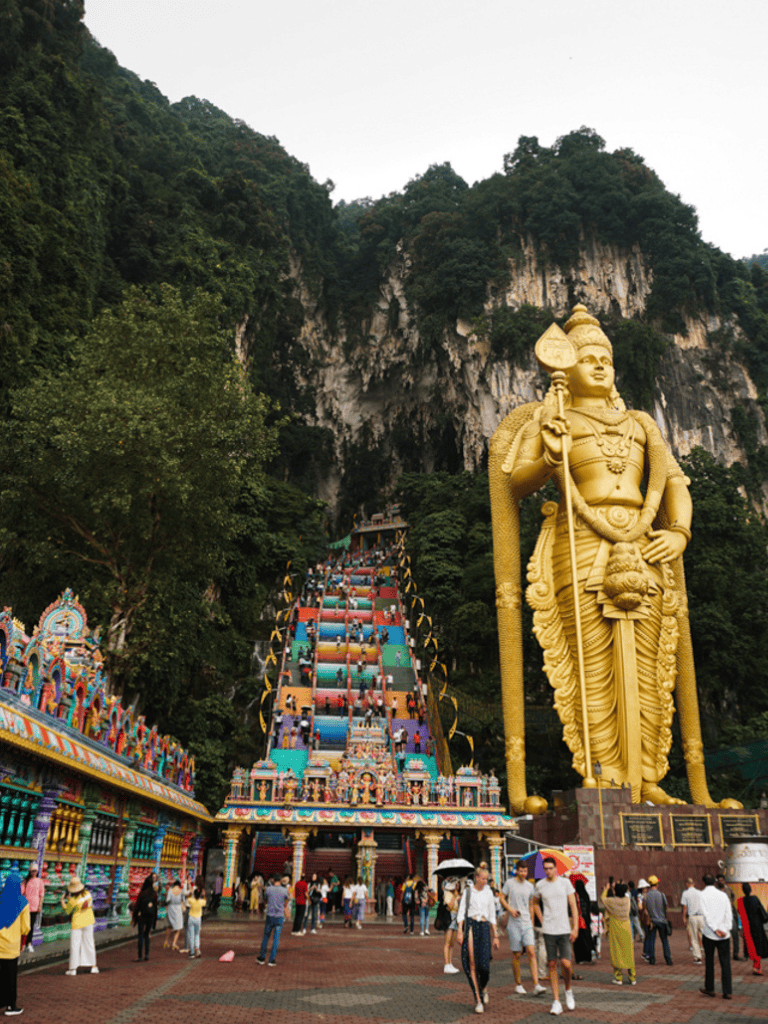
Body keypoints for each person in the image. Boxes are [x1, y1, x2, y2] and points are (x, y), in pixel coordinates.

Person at [494, 303, 730, 811]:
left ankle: (647, 780)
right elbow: (513, 482)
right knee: (591, 663)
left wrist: (681, 533)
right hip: (579, 542)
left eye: (607, 358)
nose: (601, 366)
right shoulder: (552, 416)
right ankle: (602, 775)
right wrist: (548, 458)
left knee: (649, 664)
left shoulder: (642, 423)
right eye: (588, 358)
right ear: (566, 368)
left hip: (645, 544)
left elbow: (673, 486)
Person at [533, 857, 577, 1016]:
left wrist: (576, 927)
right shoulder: (540, 885)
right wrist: (542, 919)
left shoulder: (565, 883)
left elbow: (573, 905)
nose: (548, 871)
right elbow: (535, 902)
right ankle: (556, 1001)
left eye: (551, 868)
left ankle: (568, 990)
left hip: (564, 929)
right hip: (549, 930)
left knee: (566, 964)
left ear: (556, 868)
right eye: (545, 868)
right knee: (552, 964)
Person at [456, 866, 500, 1013]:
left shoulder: (488, 893)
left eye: (486, 879)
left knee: (485, 966)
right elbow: (461, 912)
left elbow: (492, 914)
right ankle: (478, 999)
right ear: (476, 878)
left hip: (484, 926)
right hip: (471, 925)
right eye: (482, 878)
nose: (485, 881)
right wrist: (460, 932)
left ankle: (483, 987)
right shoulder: (468, 892)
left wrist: (496, 935)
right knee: (472, 963)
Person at [499, 860, 545, 995]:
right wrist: (510, 909)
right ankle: (518, 983)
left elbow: (531, 904)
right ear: (517, 870)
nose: (523, 873)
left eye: (525, 871)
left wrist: (531, 921)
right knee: (517, 954)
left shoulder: (530, 886)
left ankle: (536, 984)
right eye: (521, 871)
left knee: (531, 951)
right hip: (514, 923)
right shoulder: (509, 883)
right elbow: (502, 898)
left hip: (526, 923)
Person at [0, 872, 30, 1016]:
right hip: (11, 947)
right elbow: (26, 928)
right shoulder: (23, 903)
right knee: (10, 978)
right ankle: (11, 1007)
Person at [699, 873, 732, 1000]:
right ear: (714, 881)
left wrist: (715, 929)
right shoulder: (723, 895)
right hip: (724, 934)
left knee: (709, 961)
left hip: (709, 933)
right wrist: (725, 929)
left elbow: (705, 915)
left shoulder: (702, 895)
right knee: (725, 962)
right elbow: (728, 913)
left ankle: (710, 988)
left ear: (704, 882)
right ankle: (727, 991)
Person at [61, 875, 99, 976]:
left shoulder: (72, 900)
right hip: (89, 921)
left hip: (77, 923)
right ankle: (93, 967)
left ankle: (73, 969)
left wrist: (62, 900)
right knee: (89, 943)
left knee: (75, 945)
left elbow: (67, 910)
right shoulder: (87, 893)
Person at [601, 881, 636, 985]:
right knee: (629, 952)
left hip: (616, 927)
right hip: (626, 927)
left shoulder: (612, 901)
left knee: (616, 952)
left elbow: (603, 899)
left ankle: (618, 977)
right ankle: (632, 978)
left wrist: (606, 889)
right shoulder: (627, 900)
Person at [257, 875, 291, 967]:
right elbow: (286, 903)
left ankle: (262, 957)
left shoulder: (268, 889)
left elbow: (265, 899)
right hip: (279, 916)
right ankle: (272, 959)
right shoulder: (284, 890)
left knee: (266, 937)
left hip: (270, 915)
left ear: (273, 880)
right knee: (276, 939)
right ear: (280, 880)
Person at [737, 882, 768, 975]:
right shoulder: (755, 899)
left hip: (747, 926)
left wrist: (740, 928)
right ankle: (757, 967)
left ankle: (756, 966)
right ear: (750, 889)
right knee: (758, 945)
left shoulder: (740, 901)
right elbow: (761, 911)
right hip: (757, 924)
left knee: (752, 945)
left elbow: (740, 916)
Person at [643, 875, 673, 965]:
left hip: (652, 921)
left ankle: (652, 958)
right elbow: (666, 907)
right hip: (662, 920)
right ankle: (668, 959)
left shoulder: (646, 896)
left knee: (652, 940)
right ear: (657, 884)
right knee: (664, 940)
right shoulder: (662, 894)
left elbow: (645, 909)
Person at [716, 874, 742, 961]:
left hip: (730, 915)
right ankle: (723, 954)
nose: (721, 882)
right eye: (719, 880)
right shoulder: (716, 891)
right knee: (721, 936)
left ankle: (736, 953)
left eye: (722, 880)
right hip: (720, 917)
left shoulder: (729, 889)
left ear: (724, 881)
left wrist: (731, 903)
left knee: (735, 934)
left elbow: (733, 897)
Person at [133, 875, 157, 961]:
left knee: (140, 935)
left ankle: (140, 956)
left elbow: (137, 906)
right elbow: (155, 907)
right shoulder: (154, 894)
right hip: (150, 917)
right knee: (147, 935)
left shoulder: (142, 894)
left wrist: (135, 918)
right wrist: (155, 920)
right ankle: (146, 954)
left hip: (142, 916)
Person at [20, 863, 43, 954]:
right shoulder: (25, 881)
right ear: (30, 871)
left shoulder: (40, 881)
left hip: (34, 906)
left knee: (30, 926)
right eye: (32, 871)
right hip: (25, 906)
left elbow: (41, 895)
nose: (34, 872)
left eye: (35, 871)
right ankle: (21, 943)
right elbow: (22, 892)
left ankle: (28, 943)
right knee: (23, 925)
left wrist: (40, 906)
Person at [571, 877, 594, 969]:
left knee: (578, 940)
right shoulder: (586, 895)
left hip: (578, 920)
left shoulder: (575, 896)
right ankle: (588, 957)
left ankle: (579, 958)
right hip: (586, 921)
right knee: (587, 938)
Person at [680, 877, 704, 964]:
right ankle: (709, 954)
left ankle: (698, 957)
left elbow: (685, 907)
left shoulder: (685, 893)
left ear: (687, 884)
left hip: (692, 917)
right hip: (701, 916)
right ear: (694, 884)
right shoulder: (700, 892)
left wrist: (684, 918)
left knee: (694, 937)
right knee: (704, 935)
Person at [442, 877, 461, 974]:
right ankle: (446, 964)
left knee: (452, 944)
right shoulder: (448, 894)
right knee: (447, 942)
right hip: (449, 918)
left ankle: (450, 963)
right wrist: (454, 897)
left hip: (455, 918)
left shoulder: (454, 894)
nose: (457, 887)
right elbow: (449, 906)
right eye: (456, 885)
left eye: (458, 885)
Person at [186, 881, 206, 958]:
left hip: (191, 918)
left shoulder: (192, 900)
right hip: (198, 919)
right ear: (200, 895)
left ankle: (192, 952)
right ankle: (197, 948)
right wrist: (204, 895)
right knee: (197, 934)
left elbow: (188, 898)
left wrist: (190, 892)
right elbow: (205, 901)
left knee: (191, 935)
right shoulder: (201, 901)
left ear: (194, 895)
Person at [165, 879, 185, 951]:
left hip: (170, 908)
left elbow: (167, 900)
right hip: (178, 909)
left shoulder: (170, 890)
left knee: (169, 926)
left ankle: (166, 941)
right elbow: (183, 900)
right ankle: (174, 943)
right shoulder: (181, 891)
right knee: (178, 927)